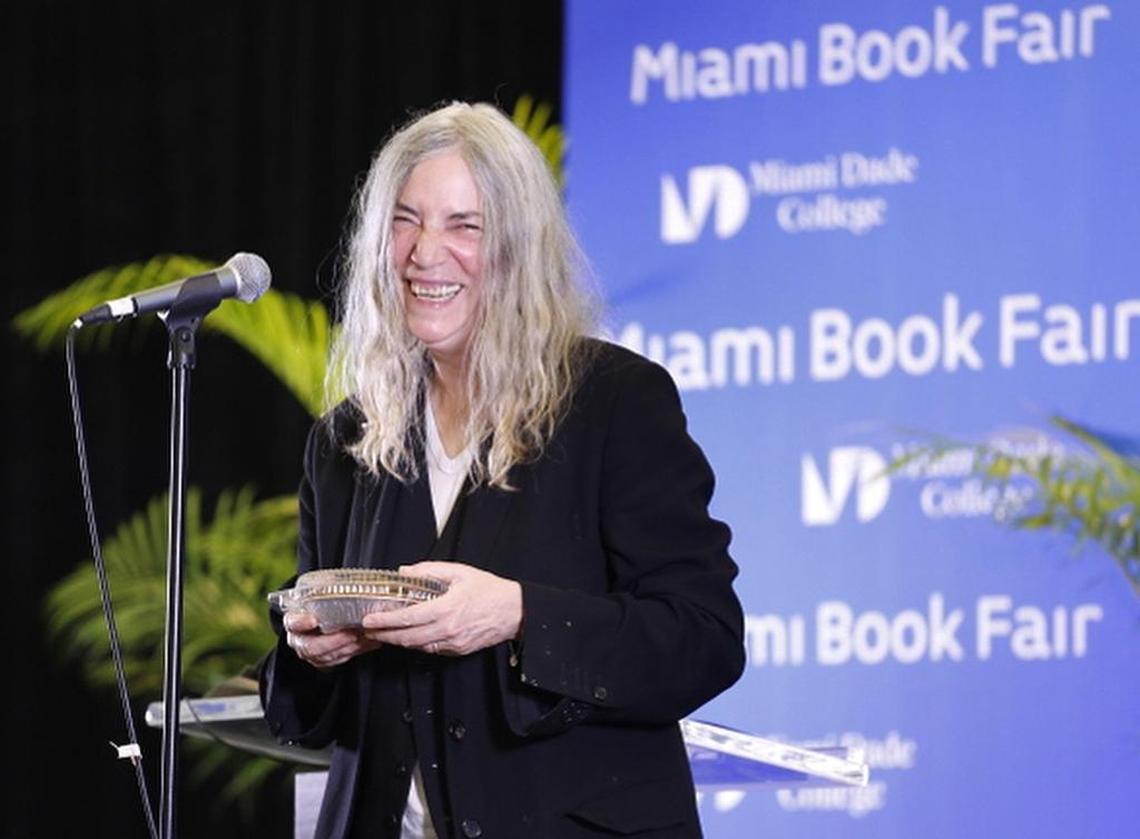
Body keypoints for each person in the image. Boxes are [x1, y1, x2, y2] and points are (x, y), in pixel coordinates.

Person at [260, 101, 745, 839]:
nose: (425, 253)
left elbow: (704, 638)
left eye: (465, 226)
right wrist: (311, 655)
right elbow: (299, 708)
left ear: (520, 248)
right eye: (405, 221)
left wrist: (517, 614)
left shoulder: (615, 402)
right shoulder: (344, 440)